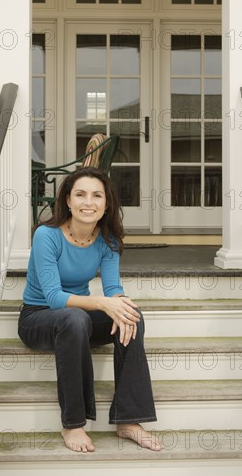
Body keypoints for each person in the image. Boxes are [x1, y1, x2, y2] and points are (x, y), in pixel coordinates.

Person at [18, 166, 160, 453]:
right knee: (73, 317)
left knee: (132, 314)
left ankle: (129, 419)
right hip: (38, 318)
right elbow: (56, 298)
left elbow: (113, 290)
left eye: (97, 196)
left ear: (106, 204)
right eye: (80, 194)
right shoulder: (47, 236)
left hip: (78, 321)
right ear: (68, 201)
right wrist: (103, 304)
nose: (88, 202)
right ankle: (73, 423)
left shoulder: (107, 241)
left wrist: (119, 304)